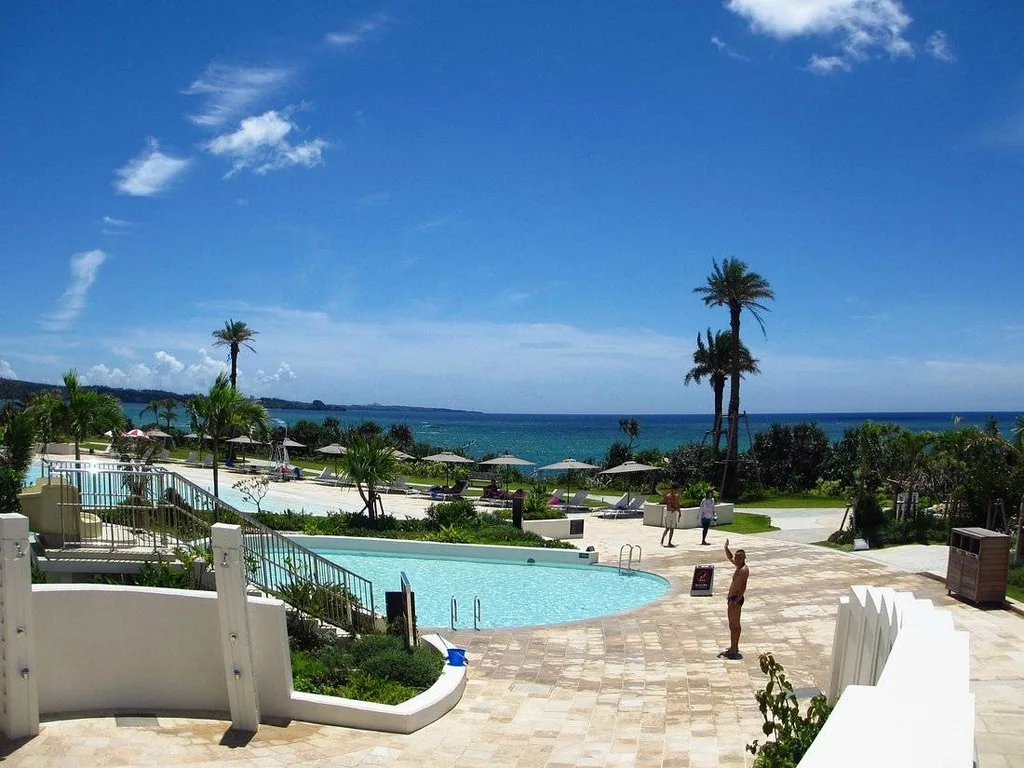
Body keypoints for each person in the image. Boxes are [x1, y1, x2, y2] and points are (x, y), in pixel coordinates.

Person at [719, 538, 749, 660]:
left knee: (735, 625)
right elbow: (730, 557)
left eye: (739, 557)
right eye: (736, 557)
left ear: (744, 558)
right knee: (732, 625)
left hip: (735, 600)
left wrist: (736, 601)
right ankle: (733, 646)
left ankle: (734, 648)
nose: (736, 559)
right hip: (732, 599)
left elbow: (743, 587)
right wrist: (726, 547)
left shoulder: (743, 570)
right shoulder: (738, 566)